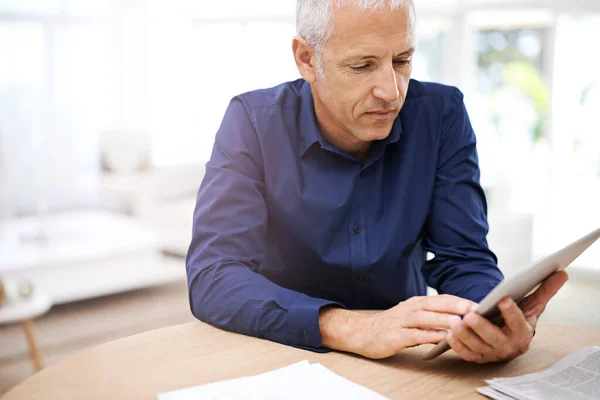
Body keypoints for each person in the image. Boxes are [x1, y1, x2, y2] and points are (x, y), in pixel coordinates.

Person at [186, 0, 568, 363]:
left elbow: (463, 258)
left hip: (401, 359)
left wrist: (493, 318)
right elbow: (213, 277)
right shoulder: (252, 122)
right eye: (362, 65)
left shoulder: (441, 116)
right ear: (307, 59)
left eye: (402, 60)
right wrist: (350, 327)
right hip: (283, 350)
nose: (392, 91)